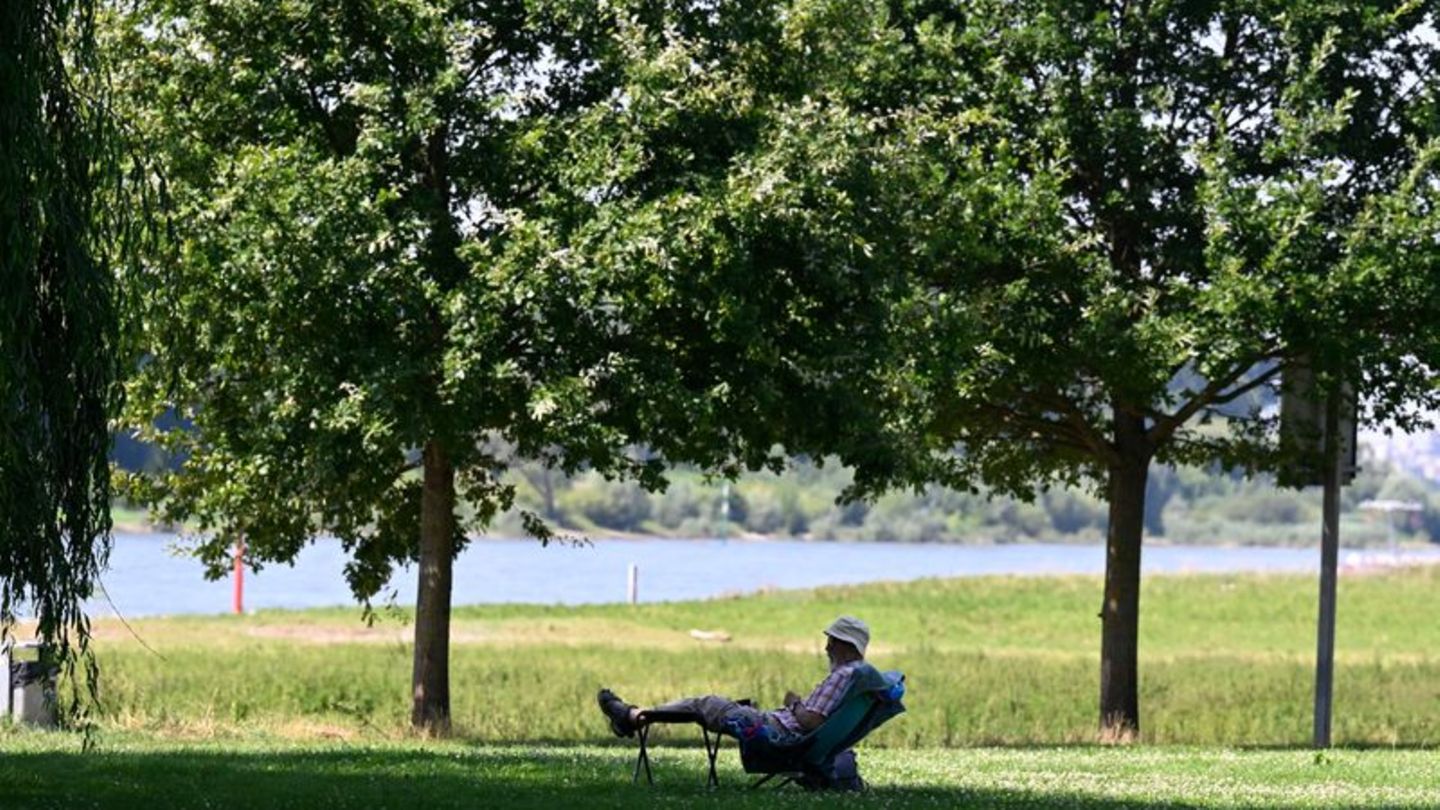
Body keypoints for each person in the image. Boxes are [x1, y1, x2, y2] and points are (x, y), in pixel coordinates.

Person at [597, 615, 871, 742]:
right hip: (774, 726)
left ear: (847, 646)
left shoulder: (842, 676)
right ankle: (632, 717)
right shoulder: (857, 676)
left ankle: (631, 717)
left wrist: (795, 703)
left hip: (774, 732)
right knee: (719, 705)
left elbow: (811, 721)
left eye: (832, 642)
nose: (826, 648)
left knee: (703, 704)